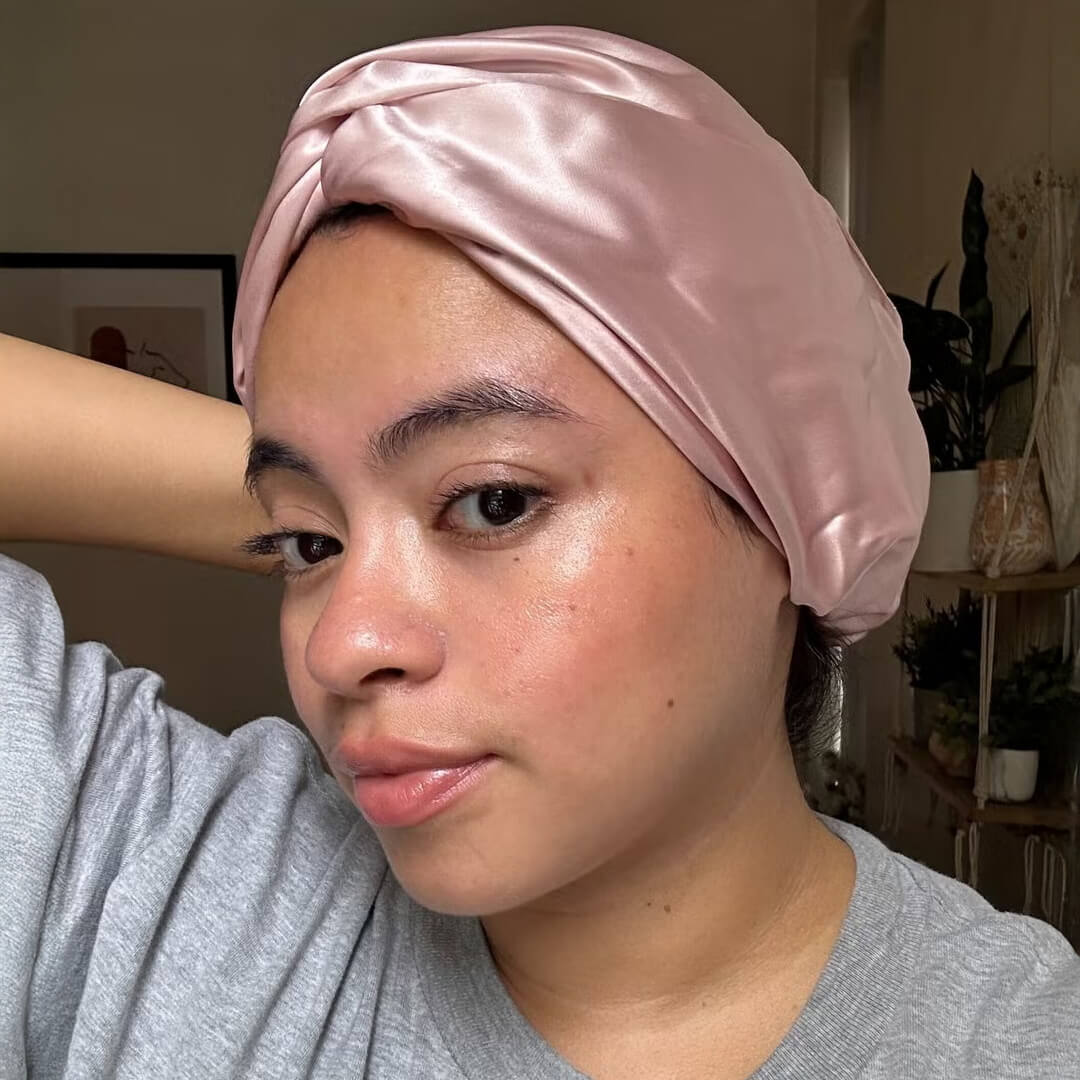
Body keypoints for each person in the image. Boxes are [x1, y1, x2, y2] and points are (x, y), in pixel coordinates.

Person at [1, 24, 1077, 1080]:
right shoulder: (159, 886)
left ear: (785, 513)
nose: (340, 647)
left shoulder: (1022, 1043)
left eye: (496, 502)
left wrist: (352, 494)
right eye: (306, 546)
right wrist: (348, 486)